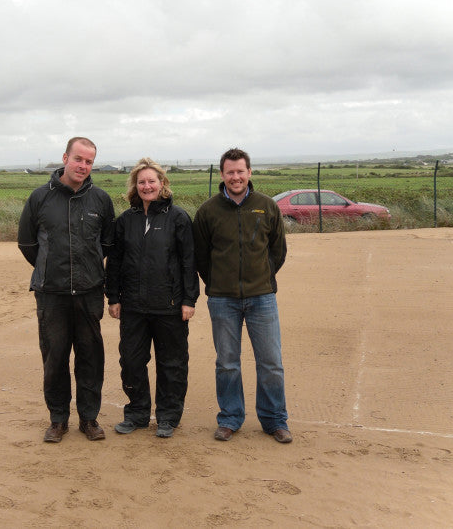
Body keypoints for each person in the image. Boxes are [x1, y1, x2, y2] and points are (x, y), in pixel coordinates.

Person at [17, 137, 115, 443]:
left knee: (90, 357)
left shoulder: (100, 200)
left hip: (89, 293)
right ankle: (58, 419)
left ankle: (89, 418)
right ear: (65, 158)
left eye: (89, 161)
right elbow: (27, 243)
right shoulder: (39, 198)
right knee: (54, 357)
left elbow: (108, 245)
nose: (83, 166)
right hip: (52, 294)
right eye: (78, 159)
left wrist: (87, 270)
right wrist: (50, 268)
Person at [192, 148, 291, 444]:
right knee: (227, 362)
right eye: (230, 172)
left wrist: (262, 277)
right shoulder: (208, 211)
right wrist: (218, 283)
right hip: (222, 300)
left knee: (271, 361)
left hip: (262, 297)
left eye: (240, 171)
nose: (235, 177)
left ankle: (274, 420)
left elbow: (278, 250)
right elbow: (200, 256)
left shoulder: (267, 207)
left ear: (249, 173)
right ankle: (230, 418)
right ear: (222, 175)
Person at [106, 158, 199, 438]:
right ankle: (137, 414)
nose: (147, 186)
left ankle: (168, 417)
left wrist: (189, 300)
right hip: (133, 306)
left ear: (162, 184)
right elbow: (115, 262)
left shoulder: (178, 217)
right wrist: (113, 297)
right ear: (135, 185)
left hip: (169, 306)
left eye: (152, 181)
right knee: (131, 362)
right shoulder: (125, 221)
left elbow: (188, 261)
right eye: (142, 181)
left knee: (172, 363)